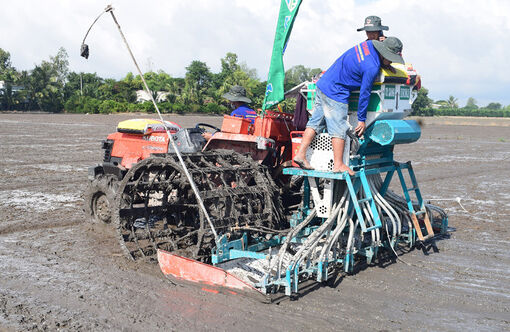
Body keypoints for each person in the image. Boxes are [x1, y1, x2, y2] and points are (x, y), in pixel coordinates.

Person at [293, 37, 405, 175]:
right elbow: (365, 93)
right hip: (336, 91)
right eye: (390, 58)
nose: (391, 61)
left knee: (315, 123)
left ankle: (301, 154)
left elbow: (365, 60)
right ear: (384, 54)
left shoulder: (367, 45)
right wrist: (362, 120)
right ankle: (338, 164)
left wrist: (386, 65)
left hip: (323, 84)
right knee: (339, 128)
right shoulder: (372, 67)